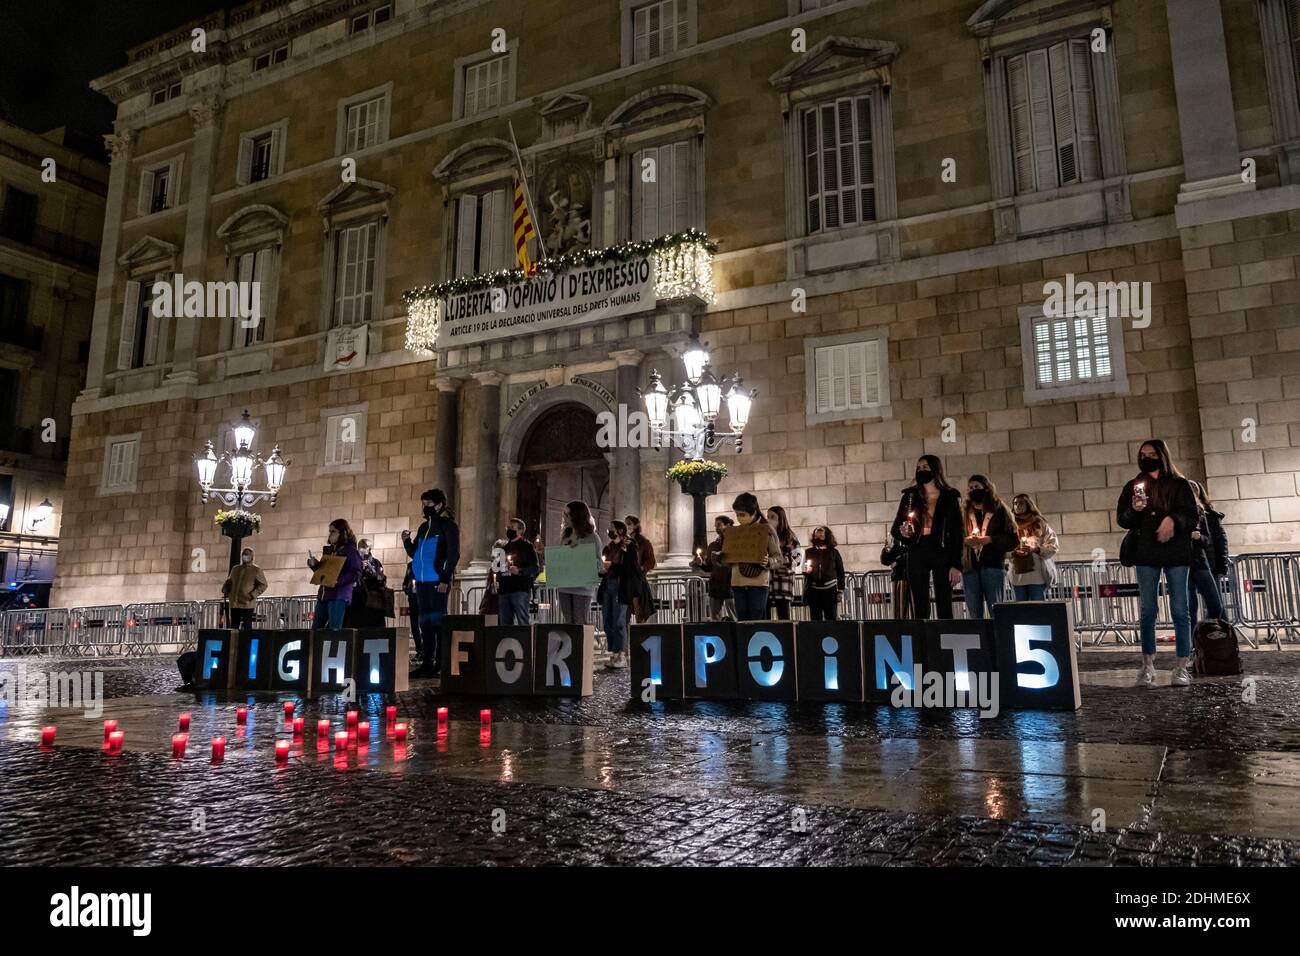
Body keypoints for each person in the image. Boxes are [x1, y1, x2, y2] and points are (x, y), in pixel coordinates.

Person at [1117, 439, 1199, 688]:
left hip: (1175, 552)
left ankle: (1182, 665)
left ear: (1162, 455)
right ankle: (1147, 664)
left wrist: (1173, 520)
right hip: (1146, 552)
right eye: (1143, 454)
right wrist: (1135, 509)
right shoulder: (1133, 486)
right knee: (1148, 610)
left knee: (1180, 609)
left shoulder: (1179, 484)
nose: (1147, 457)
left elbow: (1192, 515)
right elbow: (1122, 519)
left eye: (1152, 454)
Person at [890, 454, 963, 619]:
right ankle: (922, 638)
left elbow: (957, 532)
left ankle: (944, 637)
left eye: (925, 467)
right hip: (917, 547)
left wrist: (956, 565)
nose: (921, 471)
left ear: (935, 470)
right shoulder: (910, 496)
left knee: (944, 600)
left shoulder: (949, 496)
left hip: (941, 549)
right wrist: (904, 533)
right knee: (920, 601)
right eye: (918, 468)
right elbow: (896, 528)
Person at [402, 489, 460, 677]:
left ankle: (441, 663)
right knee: (424, 622)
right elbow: (414, 553)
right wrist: (406, 542)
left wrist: (445, 578)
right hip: (422, 582)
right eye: (423, 504)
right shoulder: (423, 528)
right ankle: (428, 662)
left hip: (437, 580)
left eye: (428, 504)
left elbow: (453, 554)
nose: (425, 508)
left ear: (439, 505)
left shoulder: (448, 526)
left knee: (437, 622)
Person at [959, 475, 1018, 619]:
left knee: (996, 609)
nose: (973, 490)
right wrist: (965, 541)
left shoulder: (999, 509)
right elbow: (955, 536)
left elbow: (1012, 539)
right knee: (974, 611)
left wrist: (990, 539)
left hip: (992, 565)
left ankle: (998, 639)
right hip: (970, 566)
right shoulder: (964, 511)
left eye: (977, 487)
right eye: (971, 488)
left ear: (986, 488)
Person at [723, 493, 782, 621]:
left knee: (756, 621)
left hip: (758, 584)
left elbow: (778, 558)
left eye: (742, 515)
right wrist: (720, 557)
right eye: (737, 514)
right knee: (742, 621)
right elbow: (728, 559)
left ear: (753, 512)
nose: (739, 518)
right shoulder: (734, 533)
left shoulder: (767, 530)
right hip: (737, 583)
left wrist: (768, 562)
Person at [307, 518, 363, 631]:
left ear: (342, 533)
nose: (330, 534)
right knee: (316, 629)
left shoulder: (350, 551)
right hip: (324, 594)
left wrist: (339, 580)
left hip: (338, 595)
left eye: (333, 531)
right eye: (330, 531)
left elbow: (356, 572)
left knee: (334, 630)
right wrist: (314, 565)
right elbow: (325, 571)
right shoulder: (330, 550)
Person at [1187, 480, 1228, 628]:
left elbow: (1219, 540)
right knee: (1190, 606)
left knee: (1216, 604)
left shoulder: (1210, 515)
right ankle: (1195, 640)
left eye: (1194, 488)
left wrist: (1221, 564)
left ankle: (1221, 634)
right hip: (1188, 563)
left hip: (1208, 563)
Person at [557, 500, 602, 625]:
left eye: (567, 514)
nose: (564, 518)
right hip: (565, 585)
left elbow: (598, 563)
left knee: (580, 621)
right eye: (564, 514)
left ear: (577, 515)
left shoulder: (592, 537)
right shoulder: (566, 536)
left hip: (582, 586)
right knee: (568, 621)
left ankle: (582, 644)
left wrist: (582, 557)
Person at [1007, 493, 1060, 600]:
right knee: (1021, 611)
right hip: (1017, 575)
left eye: (1021, 503)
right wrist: (1013, 552)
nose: (1018, 506)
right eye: (1015, 503)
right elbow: (1003, 547)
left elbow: (1053, 545)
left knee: (1037, 609)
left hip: (1037, 576)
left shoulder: (1039, 523)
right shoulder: (1009, 526)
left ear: (1028, 505)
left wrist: (1036, 549)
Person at [598, 520, 636, 668]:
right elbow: (605, 565)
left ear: (620, 531)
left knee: (619, 621)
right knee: (608, 620)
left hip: (621, 587)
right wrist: (602, 570)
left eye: (612, 528)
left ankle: (621, 654)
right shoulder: (609, 548)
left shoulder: (629, 545)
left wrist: (612, 566)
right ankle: (613, 652)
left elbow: (630, 569)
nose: (609, 531)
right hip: (608, 585)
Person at [691, 515, 736, 621]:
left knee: (734, 617)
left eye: (719, 525)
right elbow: (709, 567)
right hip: (716, 586)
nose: (717, 528)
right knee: (715, 619)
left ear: (728, 525)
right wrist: (701, 563)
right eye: (715, 526)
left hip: (730, 585)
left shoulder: (734, 544)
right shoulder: (713, 545)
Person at [498, 517, 539, 627]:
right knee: (505, 624)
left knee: (522, 622)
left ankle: (525, 643)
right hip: (504, 591)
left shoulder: (527, 547)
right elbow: (497, 568)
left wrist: (520, 571)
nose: (509, 530)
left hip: (520, 590)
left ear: (520, 530)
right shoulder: (504, 548)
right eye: (508, 527)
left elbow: (535, 568)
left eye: (512, 527)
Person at [766, 505, 802, 620]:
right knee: (765, 616)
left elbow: (797, 558)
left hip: (783, 581)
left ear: (780, 519)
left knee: (783, 615)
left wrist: (781, 561)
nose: (769, 519)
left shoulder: (789, 537)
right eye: (768, 516)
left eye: (772, 517)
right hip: (767, 581)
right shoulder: (767, 535)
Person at [803, 526, 845, 621]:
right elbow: (803, 570)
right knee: (815, 619)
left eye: (821, 536)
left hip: (830, 590)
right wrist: (806, 571)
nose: (819, 538)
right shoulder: (808, 552)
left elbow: (840, 572)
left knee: (831, 618)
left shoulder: (834, 552)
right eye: (817, 536)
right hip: (814, 591)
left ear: (827, 537)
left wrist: (840, 590)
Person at [221, 546, 267, 630]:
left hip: (247, 604)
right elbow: (230, 581)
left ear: (252, 557)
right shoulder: (235, 569)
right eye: (244, 554)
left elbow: (263, 584)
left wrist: (253, 594)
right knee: (234, 626)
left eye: (247, 554)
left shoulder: (256, 570)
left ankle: (245, 642)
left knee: (247, 627)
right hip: (235, 602)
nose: (245, 556)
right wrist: (226, 588)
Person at [347, 537, 388, 628]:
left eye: (364, 546)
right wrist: (360, 568)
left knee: (373, 626)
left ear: (369, 549)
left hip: (372, 599)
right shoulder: (354, 561)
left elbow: (381, 579)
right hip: (357, 598)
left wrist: (371, 571)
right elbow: (351, 578)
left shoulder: (376, 562)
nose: (361, 549)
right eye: (359, 546)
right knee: (356, 624)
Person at [881, 526, 912, 618]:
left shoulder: (913, 539)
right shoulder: (896, 541)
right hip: (898, 577)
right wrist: (885, 550)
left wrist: (897, 561)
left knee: (911, 608)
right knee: (898, 609)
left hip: (911, 578)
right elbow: (886, 561)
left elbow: (912, 554)